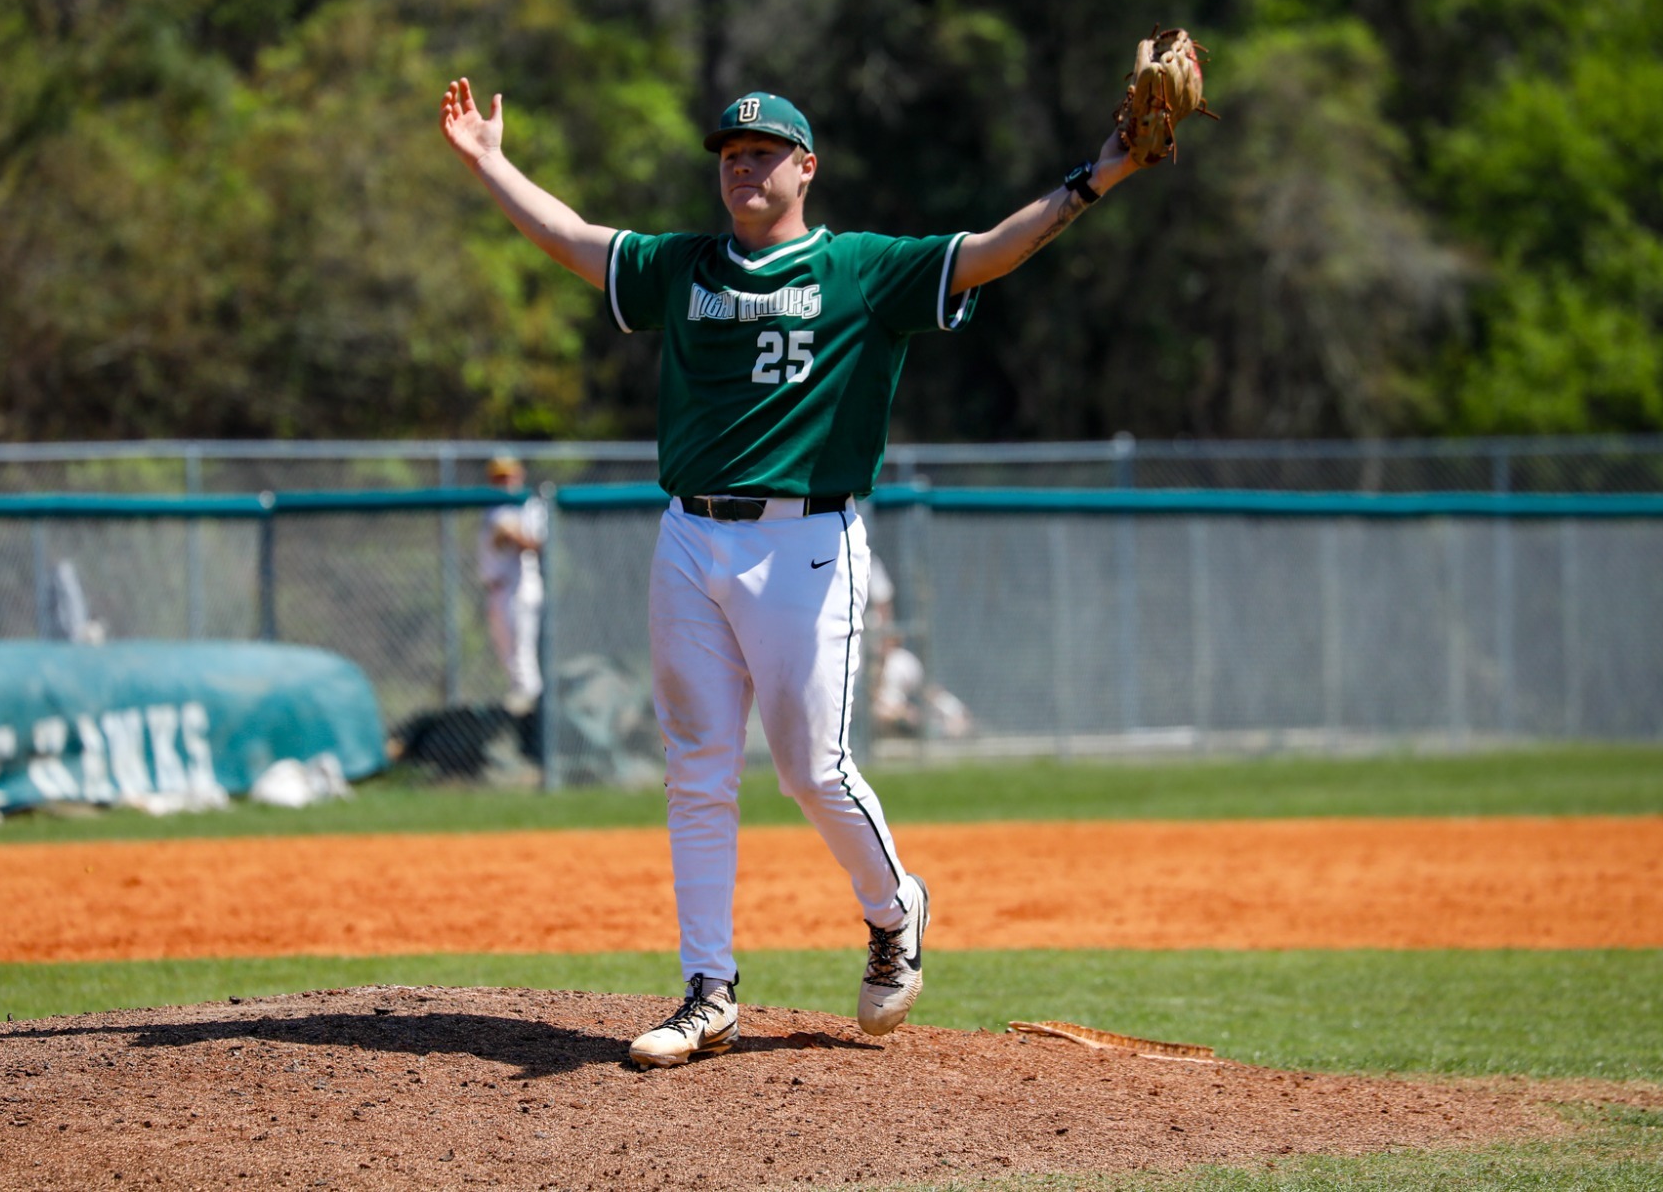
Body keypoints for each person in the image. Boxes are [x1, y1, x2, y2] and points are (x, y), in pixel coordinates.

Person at [440, 77, 1150, 1067]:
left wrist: (1095, 178)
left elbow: (991, 251)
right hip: (690, 535)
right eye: (730, 153)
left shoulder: (861, 270)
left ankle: (894, 908)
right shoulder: (683, 266)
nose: (741, 164)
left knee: (810, 768)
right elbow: (573, 238)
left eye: (763, 151)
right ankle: (709, 990)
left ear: (805, 167)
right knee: (696, 769)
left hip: (804, 540)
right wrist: (489, 162)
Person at [478, 455, 547, 718]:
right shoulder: (493, 507)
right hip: (497, 588)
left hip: (519, 586)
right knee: (509, 656)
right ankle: (527, 711)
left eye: (509, 475)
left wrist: (512, 531)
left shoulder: (529, 505)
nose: (504, 482)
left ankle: (535, 716)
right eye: (499, 476)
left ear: (519, 475)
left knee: (522, 656)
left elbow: (534, 542)